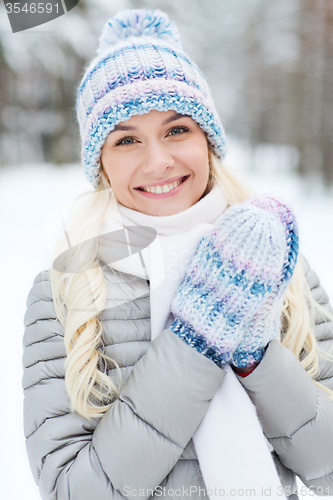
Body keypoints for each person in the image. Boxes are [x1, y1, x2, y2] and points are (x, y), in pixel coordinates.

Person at [23, 9, 333, 500]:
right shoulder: (66, 288)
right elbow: (71, 490)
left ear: (208, 141)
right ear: (99, 162)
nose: (158, 161)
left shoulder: (271, 263)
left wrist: (255, 355)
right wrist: (196, 340)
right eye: (126, 139)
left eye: (176, 130)